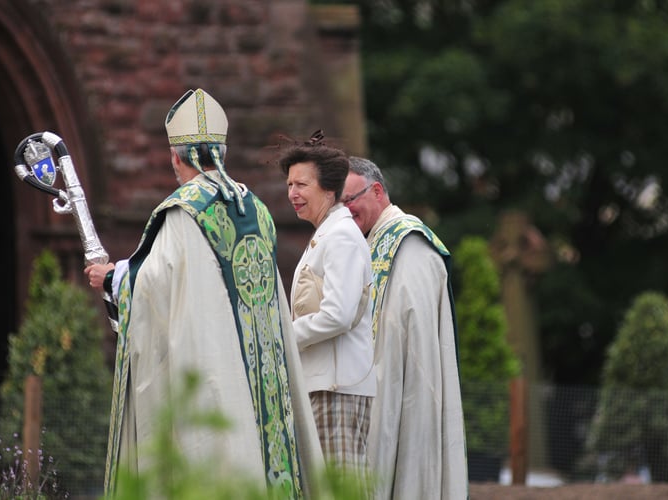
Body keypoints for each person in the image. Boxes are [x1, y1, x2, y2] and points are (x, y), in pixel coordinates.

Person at [84, 89, 323, 498]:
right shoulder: (256, 208)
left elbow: (155, 291)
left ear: (176, 156)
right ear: (221, 152)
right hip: (264, 383)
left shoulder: (183, 211)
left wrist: (110, 279)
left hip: (216, 381)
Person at [343, 156, 469, 500]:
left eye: (350, 200)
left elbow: (408, 336)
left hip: (406, 391)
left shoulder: (410, 243)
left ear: (378, 191)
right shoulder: (370, 240)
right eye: (338, 204)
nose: (345, 211)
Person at [277, 135, 376, 481]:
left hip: (338, 387)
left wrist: (283, 335)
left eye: (302, 184)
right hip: (323, 384)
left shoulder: (341, 236)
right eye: (289, 184)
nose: (293, 194)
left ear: (329, 189)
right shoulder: (326, 235)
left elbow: (339, 314)